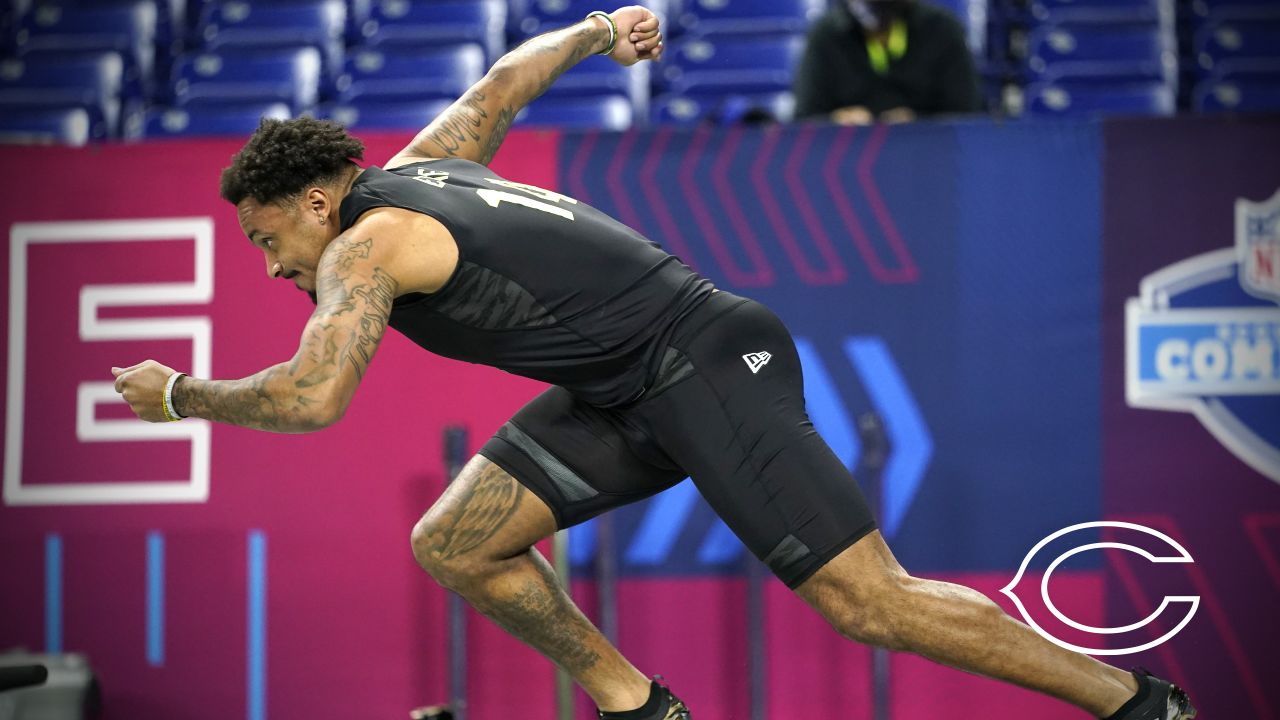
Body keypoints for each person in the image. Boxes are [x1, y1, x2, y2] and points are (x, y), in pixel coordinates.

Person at [112, 7, 1194, 720]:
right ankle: (639, 707)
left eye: (266, 241)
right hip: (623, 385)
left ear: (313, 203)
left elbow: (310, 398)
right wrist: (596, 28)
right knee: (455, 543)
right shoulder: (421, 165)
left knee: (871, 605)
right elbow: (500, 80)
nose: (267, 267)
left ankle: (1134, 704)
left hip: (703, 358)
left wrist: (181, 398)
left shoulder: (361, 246)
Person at [793, 0, 983, 124]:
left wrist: (918, 122)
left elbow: (966, 115)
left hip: (928, 159)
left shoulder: (943, 30)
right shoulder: (825, 35)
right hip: (848, 156)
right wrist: (836, 120)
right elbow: (805, 118)